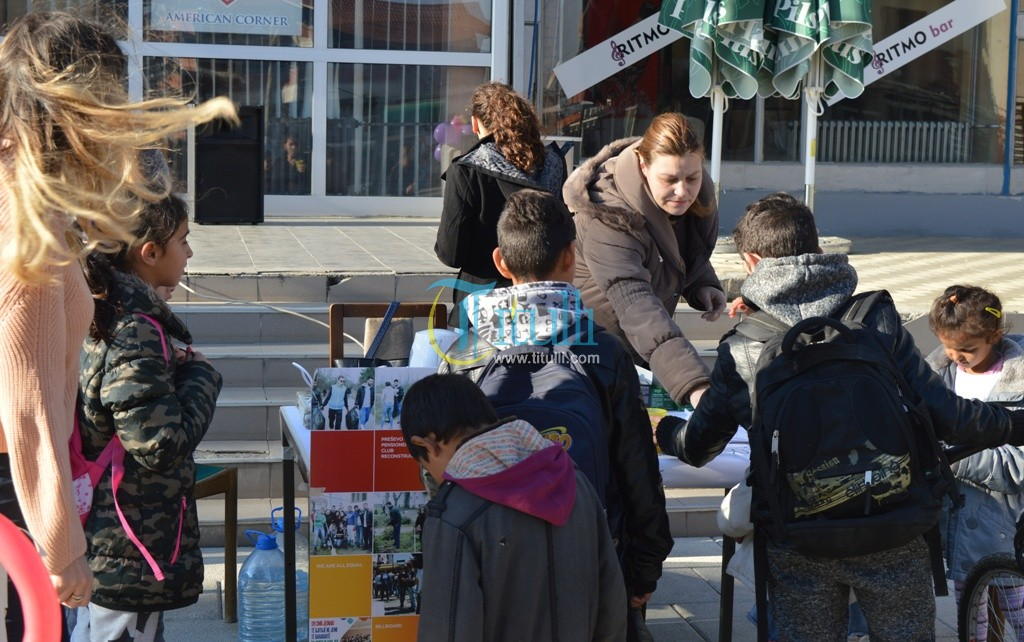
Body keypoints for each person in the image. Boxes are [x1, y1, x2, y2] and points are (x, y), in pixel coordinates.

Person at [656, 192, 1024, 640]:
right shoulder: (877, 320)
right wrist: (1012, 423)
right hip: (895, 526)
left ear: (752, 261)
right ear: (818, 249)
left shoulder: (745, 346)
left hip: (799, 536)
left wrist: (667, 431)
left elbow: (700, 446)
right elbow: (948, 415)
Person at [0, 11, 231, 635]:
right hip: (22, 492)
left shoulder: (28, 193)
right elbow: (29, 410)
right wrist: (61, 543)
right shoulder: (30, 227)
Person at [441, 188, 672, 632]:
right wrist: (644, 567)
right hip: (590, 552)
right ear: (571, 257)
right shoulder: (603, 352)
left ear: (500, 262)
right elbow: (636, 467)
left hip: (492, 554)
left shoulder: (466, 353)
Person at [76, 195, 222, 639]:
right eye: (183, 240)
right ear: (150, 252)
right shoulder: (133, 327)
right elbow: (159, 444)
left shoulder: (105, 309)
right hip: (128, 545)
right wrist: (201, 377)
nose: (189, 253)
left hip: (114, 543)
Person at [400, 374, 626, 641]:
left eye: (427, 469)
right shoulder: (575, 480)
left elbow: (447, 629)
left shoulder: (454, 513)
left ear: (426, 444)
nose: (436, 478)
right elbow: (612, 600)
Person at [563, 112, 725, 408]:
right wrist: (696, 384)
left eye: (692, 178)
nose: (683, 191)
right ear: (643, 166)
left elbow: (676, 249)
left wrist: (701, 282)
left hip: (645, 351)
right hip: (595, 353)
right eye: (670, 179)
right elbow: (638, 306)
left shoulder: (693, 198)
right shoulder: (606, 216)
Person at [926, 285, 1024, 638]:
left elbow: (1017, 467)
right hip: (957, 520)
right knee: (971, 607)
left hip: (1005, 521)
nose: (956, 356)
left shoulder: (1016, 381)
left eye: (967, 349)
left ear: (995, 336)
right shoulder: (936, 377)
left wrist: (950, 458)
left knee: (1016, 604)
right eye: (949, 347)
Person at [434, 82, 568, 326]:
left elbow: (450, 253)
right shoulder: (554, 163)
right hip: (544, 299)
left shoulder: (466, 169)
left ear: (475, 123)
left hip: (482, 304)